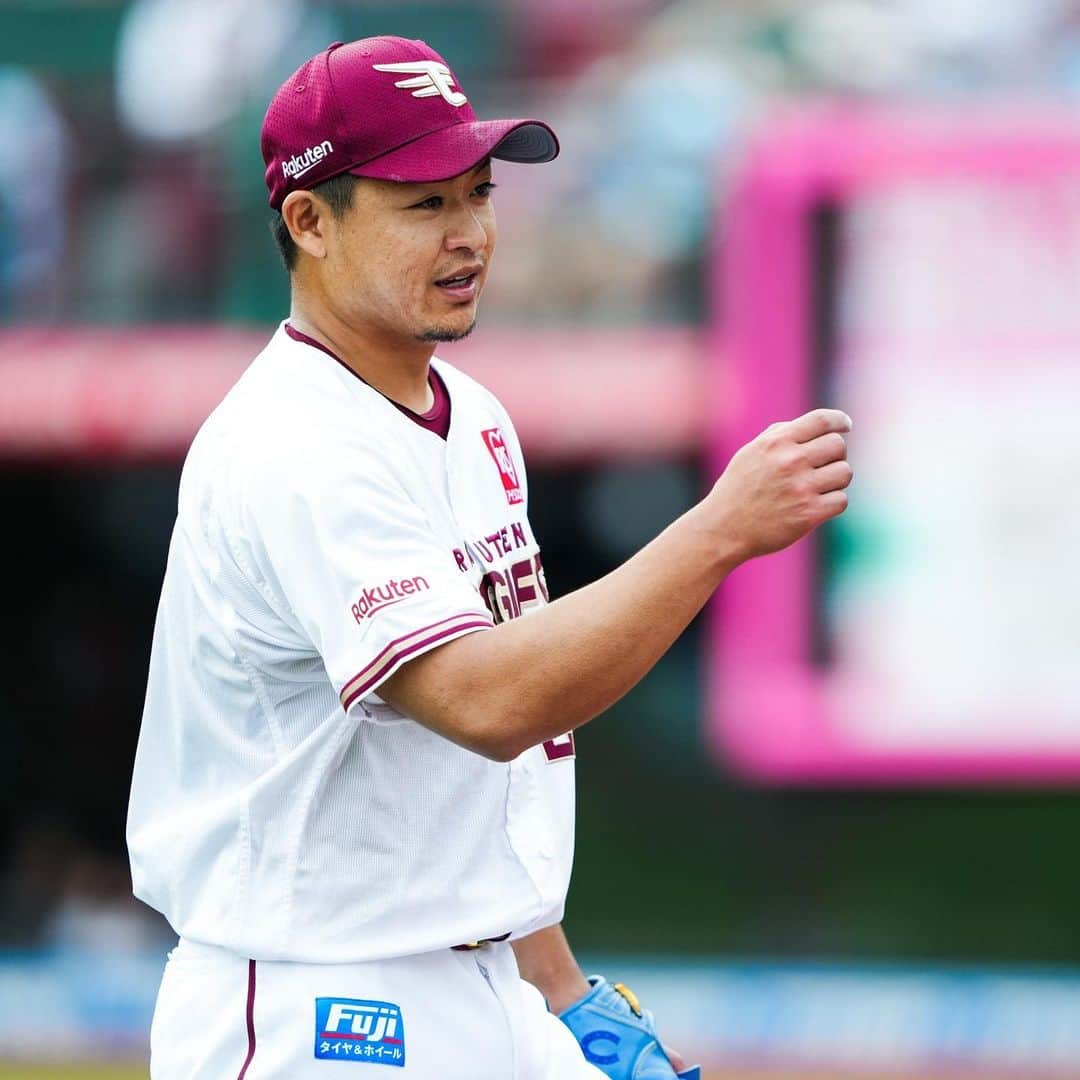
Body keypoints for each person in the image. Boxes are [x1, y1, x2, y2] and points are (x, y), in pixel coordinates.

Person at [126, 35, 852, 1080]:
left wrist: (563, 994)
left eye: (478, 193)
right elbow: (487, 703)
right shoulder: (297, 446)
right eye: (423, 204)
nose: (468, 233)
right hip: (312, 1007)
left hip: (477, 985)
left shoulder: (472, 418)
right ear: (309, 222)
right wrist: (717, 532)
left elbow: (489, 768)